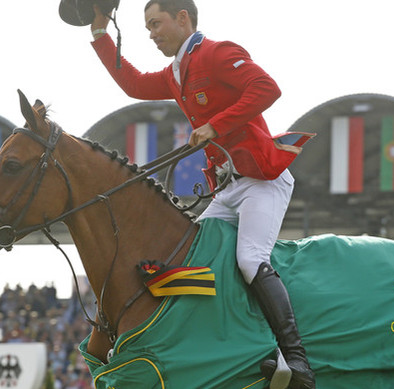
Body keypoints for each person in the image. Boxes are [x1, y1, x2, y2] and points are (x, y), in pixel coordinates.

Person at [87, 1, 314, 387]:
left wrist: (214, 125)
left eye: (156, 23)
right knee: (193, 254)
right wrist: (99, 34)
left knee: (248, 259)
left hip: (262, 180)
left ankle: (296, 360)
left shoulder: (218, 52)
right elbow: (135, 84)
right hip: (227, 188)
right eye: (146, 27)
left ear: (183, 18)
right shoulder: (177, 72)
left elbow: (267, 88)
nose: (152, 33)